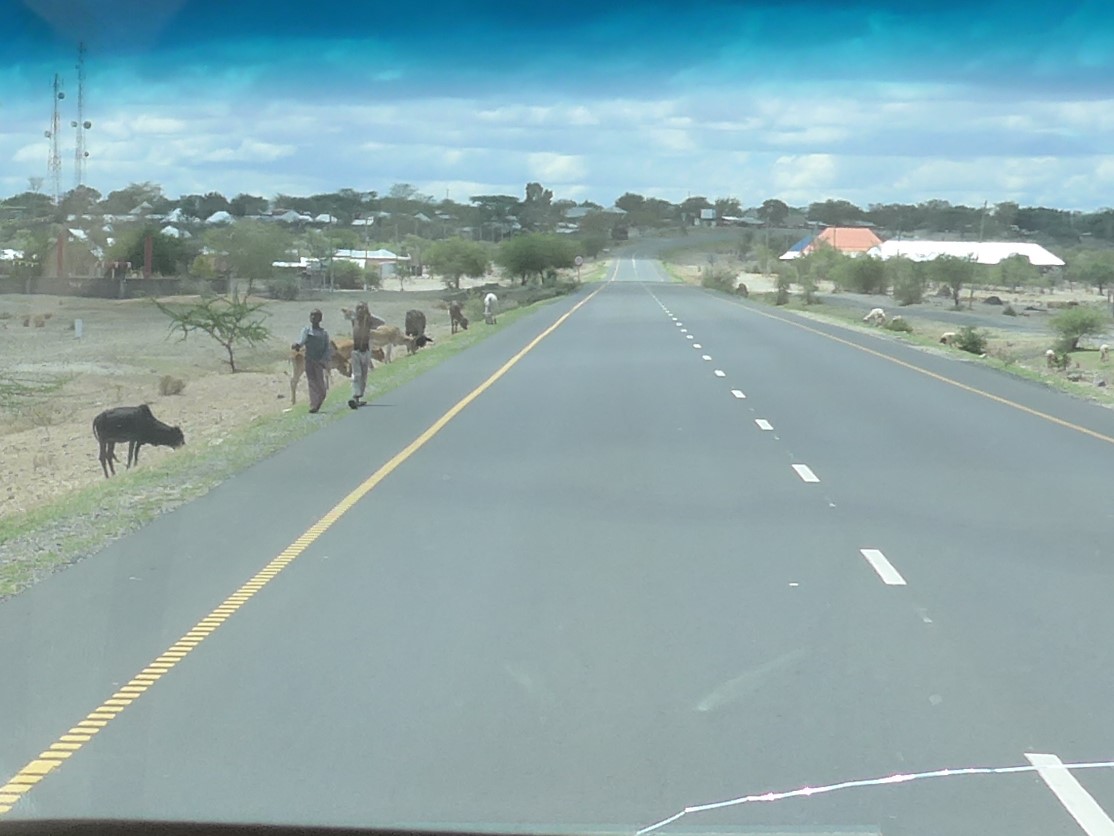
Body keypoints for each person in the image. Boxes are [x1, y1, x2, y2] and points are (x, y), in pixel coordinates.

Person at [291, 308, 331, 413]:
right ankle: (313, 405)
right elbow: (302, 340)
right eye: (312, 315)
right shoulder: (306, 330)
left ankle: (318, 402)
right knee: (312, 383)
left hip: (319, 361)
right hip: (309, 360)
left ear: (320, 318)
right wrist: (297, 345)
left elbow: (327, 348)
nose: (313, 317)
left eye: (316, 316)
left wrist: (325, 360)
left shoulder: (323, 333)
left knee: (322, 388)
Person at [348, 301, 374, 410]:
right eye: (358, 308)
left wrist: (369, 314)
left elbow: (382, 322)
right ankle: (355, 396)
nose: (359, 310)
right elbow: (345, 313)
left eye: (362, 308)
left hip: (366, 350)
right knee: (356, 374)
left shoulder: (369, 321)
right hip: (356, 351)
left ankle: (359, 397)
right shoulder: (354, 320)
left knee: (364, 375)